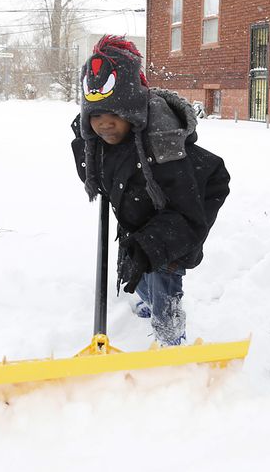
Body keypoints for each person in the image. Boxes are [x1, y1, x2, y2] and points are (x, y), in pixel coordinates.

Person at [70, 35, 230, 346]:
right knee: (138, 270)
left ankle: (171, 337)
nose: (104, 125)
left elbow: (186, 213)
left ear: (132, 113)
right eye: (96, 116)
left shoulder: (162, 147)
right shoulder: (95, 143)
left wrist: (154, 244)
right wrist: (86, 153)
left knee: (163, 276)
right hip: (138, 214)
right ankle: (147, 299)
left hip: (177, 217)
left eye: (113, 115)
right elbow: (94, 173)